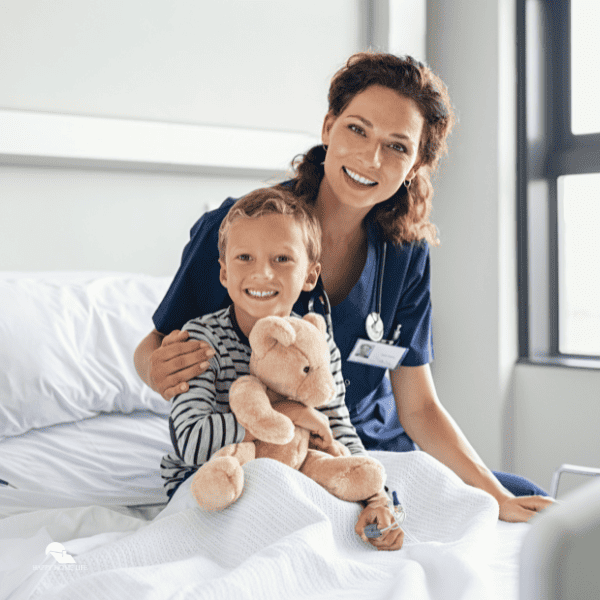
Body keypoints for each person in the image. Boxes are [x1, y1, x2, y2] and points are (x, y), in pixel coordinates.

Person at [135, 51, 554, 523]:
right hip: (267, 452)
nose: (370, 157)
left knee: (526, 500)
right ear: (328, 127)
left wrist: (495, 495)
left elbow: (418, 406)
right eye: (357, 129)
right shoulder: (244, 229)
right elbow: (153, 348)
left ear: (415, 166)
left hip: (370, 450)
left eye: (397, 146)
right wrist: (157, 369)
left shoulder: (405, 254)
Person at [160, 187, 404, 551]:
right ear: (224, 273)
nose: (262, 273)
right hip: (215, 485)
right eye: (245, 257)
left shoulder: (316, 342)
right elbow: (191, 442)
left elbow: (337, 429)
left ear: (310, 275)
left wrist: (378, 499)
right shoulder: (200, 340)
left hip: (298, 472)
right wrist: (289, 414)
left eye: (282, 259)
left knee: (338, 530)